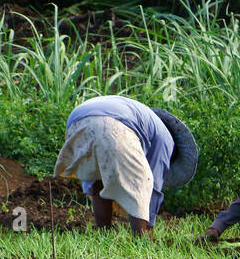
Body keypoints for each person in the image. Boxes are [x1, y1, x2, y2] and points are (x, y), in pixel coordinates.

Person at [54, 95, 198, 235]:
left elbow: (92, 183)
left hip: (76, 121)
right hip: (113, 124)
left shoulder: (145, 121)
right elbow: (151, 185)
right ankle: (141, 240)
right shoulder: (166, 141)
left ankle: (104, 232)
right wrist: (150, 225)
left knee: (98, 180)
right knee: (142, 182)